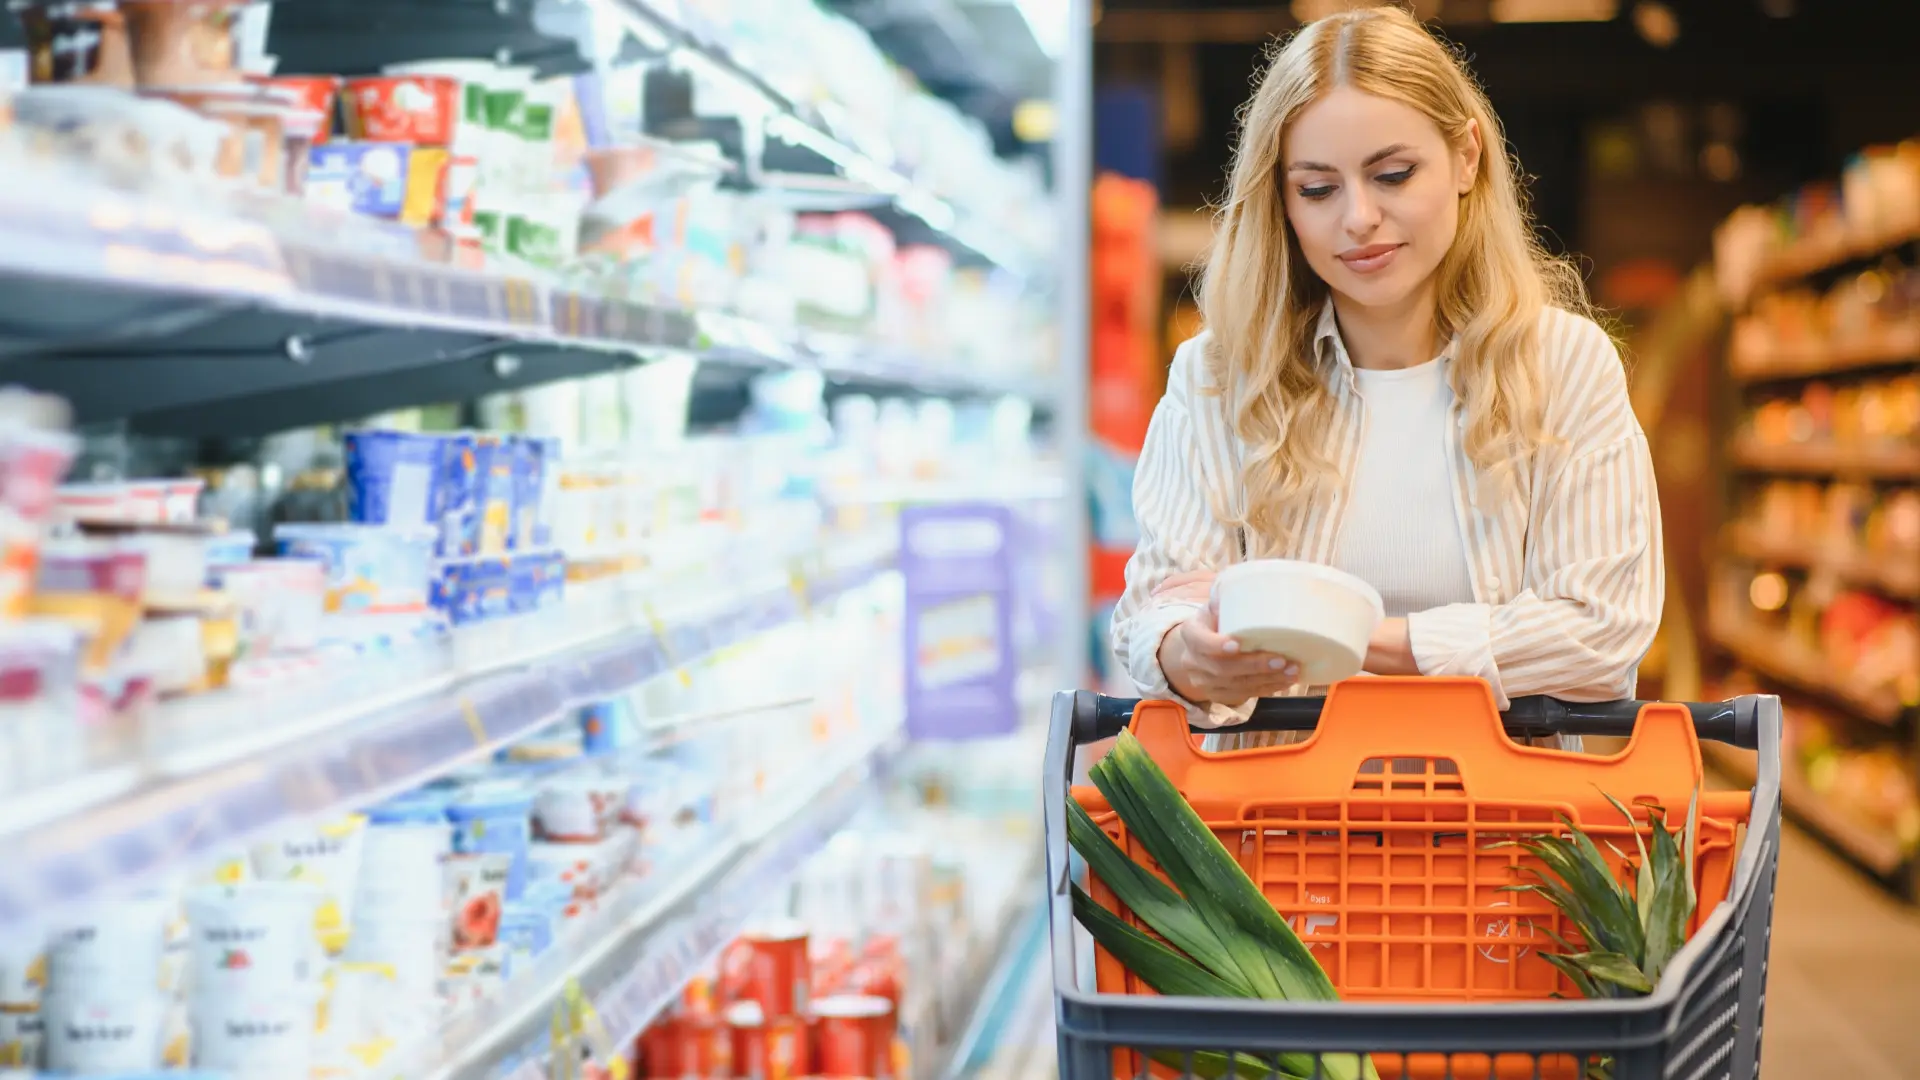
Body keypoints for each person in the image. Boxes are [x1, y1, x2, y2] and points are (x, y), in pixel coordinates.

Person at [1110, 7, 1663, 745]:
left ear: (1467, 157)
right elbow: (1157, 601)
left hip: (1510, 838)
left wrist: (1347, 637)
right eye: (1316, 189)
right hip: (1276, 836)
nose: (1359, 217)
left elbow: (1603, 630)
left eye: (1393, 174)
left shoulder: (1564, 366)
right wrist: (1186, 652)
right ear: (1279, 199)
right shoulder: (1217, 377)